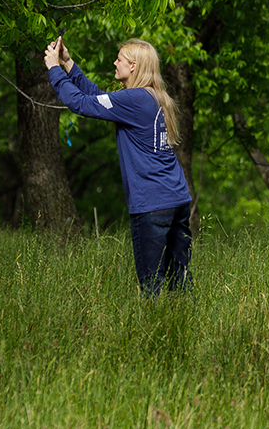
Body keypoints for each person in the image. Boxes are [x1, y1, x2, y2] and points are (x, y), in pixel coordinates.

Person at [43, 36, 192, 297]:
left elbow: (81, 104)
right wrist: (68, 64)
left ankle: (155, 334)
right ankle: (184, 331)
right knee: (179, 282)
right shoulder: (152, 97)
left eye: (120, 59)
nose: (115, 62)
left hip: (153, 204)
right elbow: (100, 98)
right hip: (177, 199)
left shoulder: (134, 99)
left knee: (152, 285)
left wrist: (54, 70)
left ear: (133, 66)